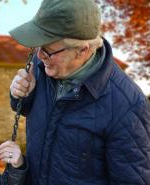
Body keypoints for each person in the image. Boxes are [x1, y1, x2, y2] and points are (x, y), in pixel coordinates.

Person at [9, 0, 150, 184]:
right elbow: (28, 110)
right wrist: (20, 95)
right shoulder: (42, 67)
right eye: (38, 46)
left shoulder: (127, 107)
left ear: (82, 51)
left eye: (48, 50)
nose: (39, 55)